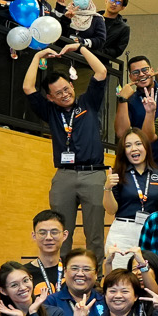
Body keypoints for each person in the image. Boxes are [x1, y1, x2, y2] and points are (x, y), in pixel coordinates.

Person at [23, 40, 110, 265]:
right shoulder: (50, 111)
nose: (64, 94)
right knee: (61, 231)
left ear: (72, 85)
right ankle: (59, 276)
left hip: (94, 174)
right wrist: (37, 57)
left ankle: (97, 277)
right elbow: (28, 88)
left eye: (66, 89)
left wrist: (80, 48)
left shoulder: (88, 102)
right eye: (57, 93)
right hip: (64, 175)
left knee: (95, 233)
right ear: (50, 97)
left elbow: (101, 71)